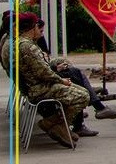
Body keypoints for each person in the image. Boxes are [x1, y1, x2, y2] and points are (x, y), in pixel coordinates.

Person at [6, 13, 90, 148]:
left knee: (81, 91)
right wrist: (61, 81)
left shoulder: (20, 43)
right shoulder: (27, 46)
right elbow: (43, 72)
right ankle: (54, 124)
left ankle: (60, 127)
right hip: (39, 88)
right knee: (83, 96)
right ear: (32, 28)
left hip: (35, 86)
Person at [34, 19, 116, 131]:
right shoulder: (26, 46)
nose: (42, 34)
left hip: (39, 81)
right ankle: (93, 108)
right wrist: (58, 75)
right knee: (76, 80)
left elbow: (40, 66)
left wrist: (55, 68)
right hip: (40, 86)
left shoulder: (25, 44)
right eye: (40, 30)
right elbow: (39, 71)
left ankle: (94, 105)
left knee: (72, 71)